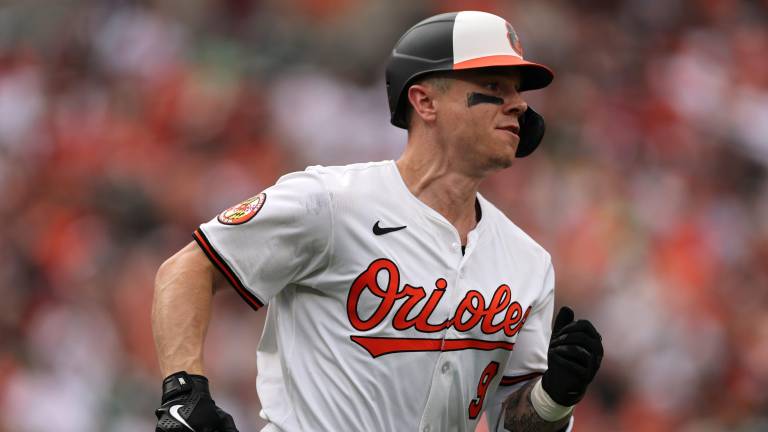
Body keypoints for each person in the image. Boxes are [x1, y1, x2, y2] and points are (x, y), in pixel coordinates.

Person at [152, 10, 603, 432]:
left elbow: (512, 421)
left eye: (519, 92)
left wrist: (553, 397)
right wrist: (183, 390)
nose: (519, 105)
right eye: (494, 85)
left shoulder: (528, 262)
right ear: (425, 101)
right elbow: (187, 269)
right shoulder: (331, 202)